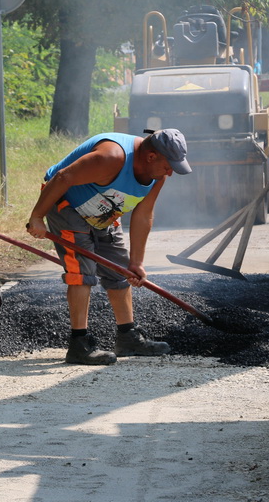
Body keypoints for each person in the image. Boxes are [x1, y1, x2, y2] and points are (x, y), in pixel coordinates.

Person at [26, 129, 192, 365]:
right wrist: (37, 217)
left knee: (120, 270)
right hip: (67, 204)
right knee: (82, 272)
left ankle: (127, 337)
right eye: (169, 165)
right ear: (151, 156)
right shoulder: (111, 157)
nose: (171, 172)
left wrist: (136, 262)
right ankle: (78, 344)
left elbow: (144, 215)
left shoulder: (158, 175)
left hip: (104, 209)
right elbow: (63, 178)